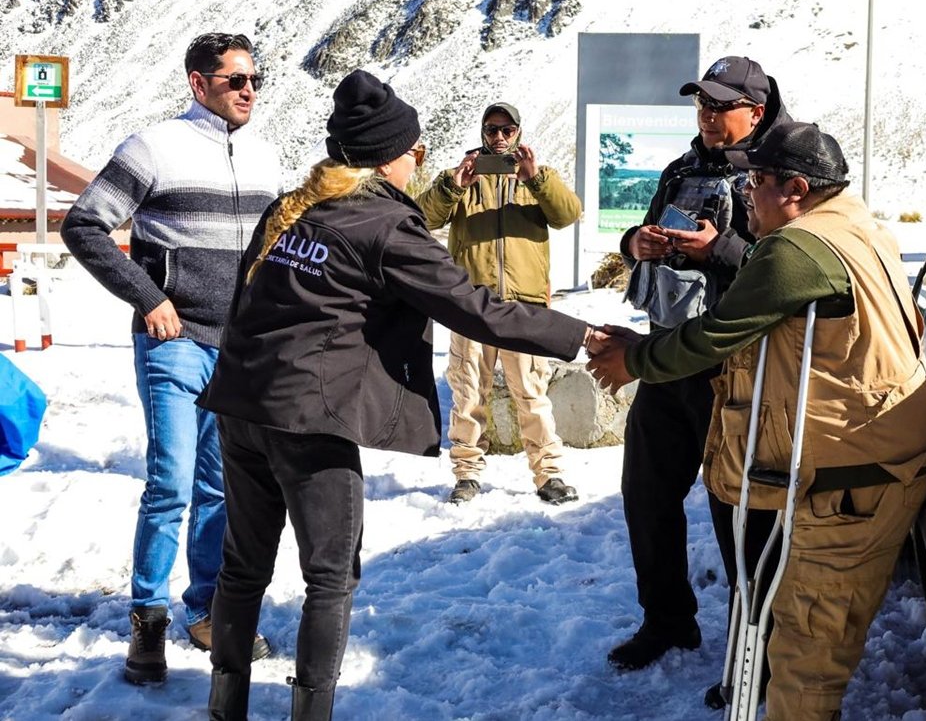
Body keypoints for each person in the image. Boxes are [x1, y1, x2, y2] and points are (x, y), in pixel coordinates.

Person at [195, 70, 606, 721]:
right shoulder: (384, 221)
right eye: (415, 151)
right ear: (393, 155)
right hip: (309, 415)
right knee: (330, 577)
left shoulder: (296, 206)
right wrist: (581, 333)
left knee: (243, 568)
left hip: (241, 403)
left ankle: (226, 708)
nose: (419, 162)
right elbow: (476, 308)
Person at [588, 120, 926, 721]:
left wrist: (635, 361)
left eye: (757, 181)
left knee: (806, 652)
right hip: (879, 456)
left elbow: (717, 333)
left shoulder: (795, 248)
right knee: (808, 632)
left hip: (850, 479)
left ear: (797, 187)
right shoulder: (854, 223)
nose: (746, 191)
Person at [61, 32, 280, 685]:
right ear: (198, 82)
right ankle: (146, 623)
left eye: (254, 80)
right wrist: (149, 296)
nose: (248, 90)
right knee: (172, 481)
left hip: (239, 348)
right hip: (173, 341)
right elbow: (84, 225)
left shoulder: (268, 158)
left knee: (222, 487)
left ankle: (210, 611)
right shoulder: (153, 146)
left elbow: (277, 250)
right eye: (235, 79)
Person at [606, 55, 790, 672]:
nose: (708, 116)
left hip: (735, 373)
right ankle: (666, 621)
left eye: (721, 106)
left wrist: (722, 250)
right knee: (647, 495)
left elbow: (788, 272)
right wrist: (638, 243)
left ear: (756, 112)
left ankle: (755, 651)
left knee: (738, 513)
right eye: (702, 105)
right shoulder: (683, 169)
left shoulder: (782, 175)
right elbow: (639, 236)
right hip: (666, 357)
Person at [416, 101, 583, 505]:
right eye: (492, 130)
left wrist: (536, 177)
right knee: (469, 393)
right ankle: (467, 474)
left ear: (519, 132)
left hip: (524, 305)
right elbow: (421, 217)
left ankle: (549, 475)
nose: (500, 137)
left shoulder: (538, 178)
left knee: (531, 393)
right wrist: (454, 185)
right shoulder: (461, 178)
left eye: (507, 130)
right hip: (470, 303)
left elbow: (568, 214)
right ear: (482, 133)